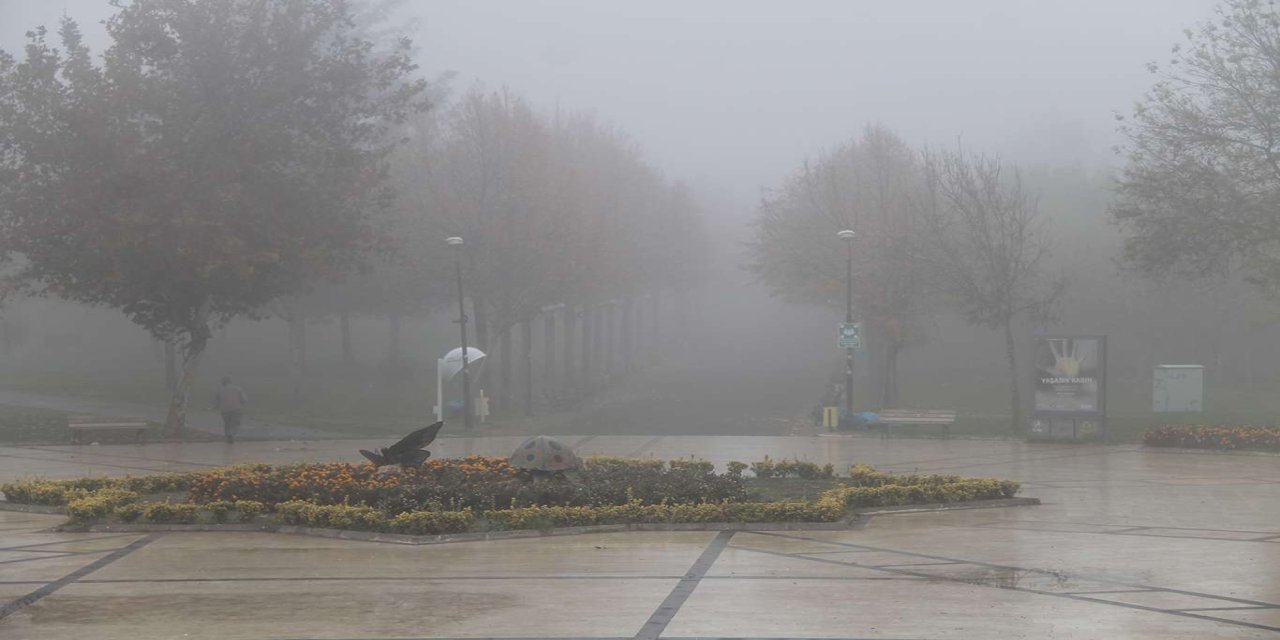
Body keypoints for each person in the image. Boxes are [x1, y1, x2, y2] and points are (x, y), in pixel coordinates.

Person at [212, 376, 248, 443]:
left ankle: (228, 436)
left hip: (225, 410)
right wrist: (243, 404)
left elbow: (217, 402)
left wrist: (216, 407)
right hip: (237, 409)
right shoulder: (238, 389)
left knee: (227, 424)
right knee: (235, 423)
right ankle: (232, 434)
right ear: (230, 381)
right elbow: (244, 400)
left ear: (222, 382)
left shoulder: (220, 390)